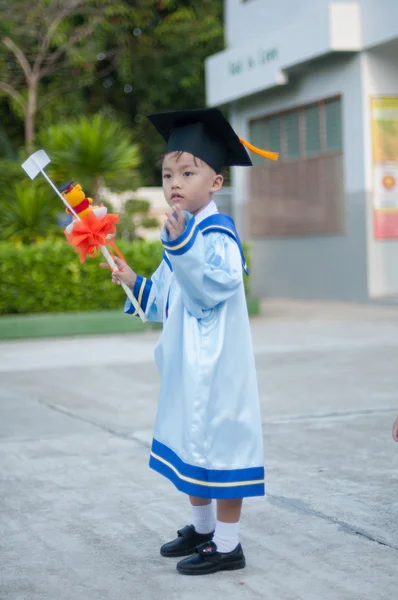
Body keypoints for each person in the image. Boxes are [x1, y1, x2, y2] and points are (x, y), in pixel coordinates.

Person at [101, 108, 278, 575]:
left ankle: (228, 544)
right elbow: (164, 299)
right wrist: (133, 280)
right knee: (189, 445)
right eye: (166, 174)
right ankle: (201, 528)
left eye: (187, 172)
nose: (174, 182)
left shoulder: (217, 234)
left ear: (216, 183)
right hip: (186, 365)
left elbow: (209, 290)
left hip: (217, 365)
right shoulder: (183, 229)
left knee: (221, 448)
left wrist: (182, 250)